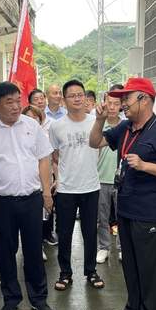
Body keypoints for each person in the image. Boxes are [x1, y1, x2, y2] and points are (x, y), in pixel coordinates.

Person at [89, 77, 156, 310]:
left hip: (149, 210)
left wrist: (144, 166)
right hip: (126, 208)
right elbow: (95, 142)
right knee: (130, 264)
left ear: (144, 99)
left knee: (150, 267)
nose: (122, 104)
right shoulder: (124, 128)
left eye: (127, 99)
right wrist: (99, 120)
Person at [0, 82, 55, 310]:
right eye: (10, 102)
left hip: (31, 200)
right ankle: (11, 300)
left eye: (18, 100)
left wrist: (46, 192)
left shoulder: (31, 125)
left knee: (34, 251)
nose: (16, 106)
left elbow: (44, 159)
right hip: (1, 202)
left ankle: (39, 299)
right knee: (5, 252)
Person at [49, 80, 104, 291]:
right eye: (72, 95)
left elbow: (100, 147)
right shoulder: (57, 126)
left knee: (90, 232)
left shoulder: (95, 122)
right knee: (64, 233)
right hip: (66, 189)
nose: (77, 98)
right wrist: (58, 179)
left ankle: (91, 271)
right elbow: (54, 156)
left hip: (91, 186)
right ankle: (65, 273)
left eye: (80, 94)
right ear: (64, 100)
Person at [96, 89, 123, 264]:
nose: (112, 107)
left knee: (122, 217)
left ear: (122, 105)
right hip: (101, 178)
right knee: (102, 217)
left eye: (116, 104)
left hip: (121, 180)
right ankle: (103, 247)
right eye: (109, 103)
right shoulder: (98, 124)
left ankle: (122, 248)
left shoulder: (127, 126)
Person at [28, 90, 59, 247]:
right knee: (34, 210)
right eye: (36, 99)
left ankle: (48, 233)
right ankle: (36, 240)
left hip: (48, 172)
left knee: (48, 204)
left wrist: (57, 176)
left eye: (42, 98)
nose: (40, 101)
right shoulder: (24, 123)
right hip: (30, 176)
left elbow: (55, 153)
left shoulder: (51, 123)